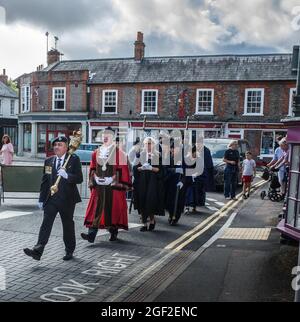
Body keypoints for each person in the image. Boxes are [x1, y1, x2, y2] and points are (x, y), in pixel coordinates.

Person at [23, 136, 83, 261]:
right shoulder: (49, 161)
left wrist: (67, 176)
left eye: (60, 144)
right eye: (55, 145)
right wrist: (41, 199)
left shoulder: (73, 159)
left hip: (67, 199)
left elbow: (79, 178)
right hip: (51, 199)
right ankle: (37, 251)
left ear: (66, 147)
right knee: (46, 224)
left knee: (67, 225)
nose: (56, 147)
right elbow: (45, 181)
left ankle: (69, 250)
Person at [81, 128, 131, 243]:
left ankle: (113, 232)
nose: (105, 137)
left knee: (111, 211)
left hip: (112, 188)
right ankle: (91, 235)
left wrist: (111, 179)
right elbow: (93, 167)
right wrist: (96, 178)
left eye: (108, 135)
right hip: (99, 187)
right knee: (96, 211)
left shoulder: (120, 153)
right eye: (103, 135)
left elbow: (122, 170)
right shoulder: (96, 152)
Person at [133, 137, 165, 231]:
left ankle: (152, 220)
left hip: (153, 182)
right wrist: (141, 168)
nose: (148, 146)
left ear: (154, 145)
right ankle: (144, 224)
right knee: (142, 201)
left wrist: (151, 168)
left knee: (150, 202)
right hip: (142, 181)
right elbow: (135, 168)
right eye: (147, 144)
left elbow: (161, 170)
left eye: (150, 144)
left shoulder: (158, 155)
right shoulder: (140, 154)